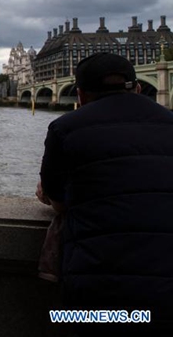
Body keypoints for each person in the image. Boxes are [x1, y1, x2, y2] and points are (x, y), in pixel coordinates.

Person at [38, 53, 173, 336]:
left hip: (95, 291)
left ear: (81, 95)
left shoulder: (65, 128)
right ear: (137, 88)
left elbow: (58, 200)